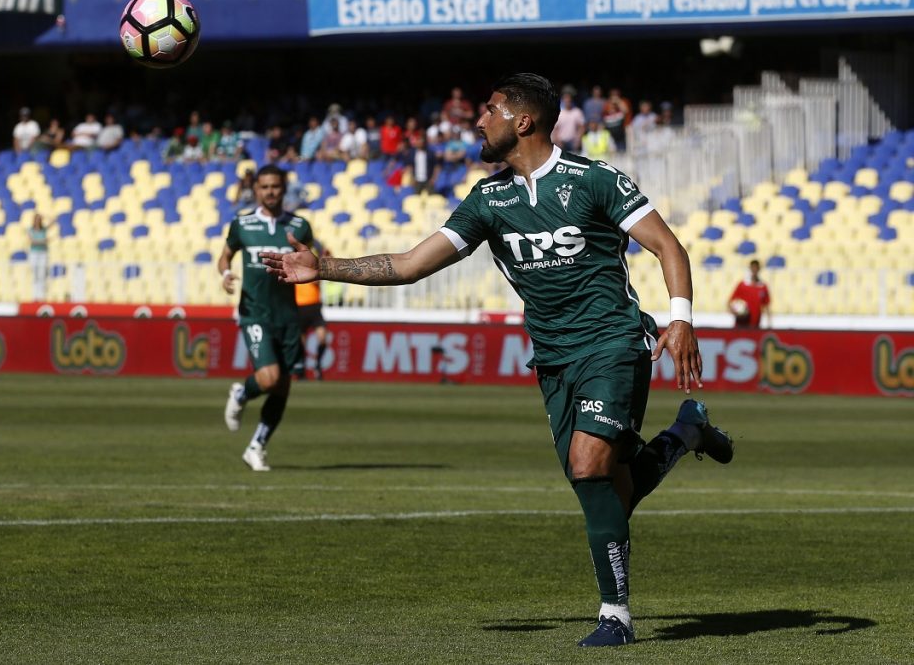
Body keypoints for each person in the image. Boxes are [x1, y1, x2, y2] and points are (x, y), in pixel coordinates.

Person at [262, 73, 733, 648]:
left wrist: (680, 318)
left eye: (490, 109)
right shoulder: (490, 199)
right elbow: (411, 265)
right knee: (612, 490)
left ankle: (616, 616)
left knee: (589, 467)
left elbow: (668, 246)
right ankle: (687, 432)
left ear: (523, 121)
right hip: (555, 360)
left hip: (613, 342)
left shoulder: (593, 180)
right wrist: (325, 268)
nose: (478, 120)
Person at [218, 164, 314, 472]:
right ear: (256, 190)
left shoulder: (300, 226)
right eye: (265, 187)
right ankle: (242, 391)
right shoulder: (242, 224)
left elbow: (306, 264)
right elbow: (225, 255)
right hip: (254, 312)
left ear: (284, 189)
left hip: (287, 315)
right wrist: (225, 273)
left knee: (283, 386)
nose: (270, 192)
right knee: (270, 378)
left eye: (275, 186)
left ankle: (256, 446)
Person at [294, 243, 332, 381]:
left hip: (315, 306)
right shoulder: (294, 266)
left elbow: (317, 282)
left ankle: (317, 365)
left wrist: (323, 259)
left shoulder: (312, 267)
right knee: (301, 343)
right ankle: (301, 371)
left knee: (322, 338)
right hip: (299, 307)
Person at [728, 259, 771, 328]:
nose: (754, 270)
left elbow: (766, 305)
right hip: (741, 324)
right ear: (750, 269)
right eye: (753, 268)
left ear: (759, 269)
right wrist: (735, 311)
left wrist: (769, 323)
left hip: (755, 324)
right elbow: (731, 301)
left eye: (756, 268)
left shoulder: (763, 286)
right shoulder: (742, 284)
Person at [551, 86, 585, 154]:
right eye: (566, 98)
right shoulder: (559, 113)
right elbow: (555, 129)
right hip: (561, 143)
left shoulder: (577, 112)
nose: (568, 100)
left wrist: (578, 140)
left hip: (573, 143)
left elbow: (582, 127)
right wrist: (557, 141)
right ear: (563, 99)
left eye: (569, 98)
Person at [28, 213, 49, 301]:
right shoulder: (31, 230)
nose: (38, 221)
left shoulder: (44, 229)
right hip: (34, 253)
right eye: (37, 219)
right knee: (35, 274)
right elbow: (32, 241)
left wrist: (45, 216)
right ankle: (35, 295)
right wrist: (43, 241)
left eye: (39, 219)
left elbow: (54, 220)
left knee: (42, 274)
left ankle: (41, 295)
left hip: (43, 253)